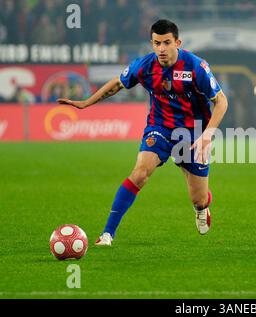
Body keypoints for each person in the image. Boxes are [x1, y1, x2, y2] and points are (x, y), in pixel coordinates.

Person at [57, 19, 228, 246]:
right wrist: (87, 102)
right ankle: (108, 234)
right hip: (160, 128)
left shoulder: (196, 67)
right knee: (139, 173)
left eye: (167, 43)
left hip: (194, 133)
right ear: (152, 43)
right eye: (157, 43)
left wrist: (207, 134)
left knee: (198, 198)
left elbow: (222, 101)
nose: (162, 49)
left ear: (178, 42)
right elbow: (118, 83)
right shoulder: (145, 66)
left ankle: (202, 207)